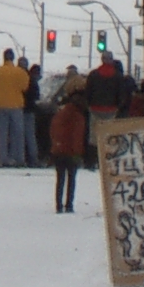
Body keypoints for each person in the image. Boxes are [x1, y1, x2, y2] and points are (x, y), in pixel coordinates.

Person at [50, 80, 89, 212]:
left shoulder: (60, 114)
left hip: (58, 150)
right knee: (71, 179)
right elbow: (77, 137)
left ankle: (58, 205)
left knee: (60, 179)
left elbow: (53, 131)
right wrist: (78, 153)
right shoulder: (78, 117)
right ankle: (69, 205)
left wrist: (55, 145)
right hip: (71, 152)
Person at [0, 48, 30, 168]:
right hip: (16, 104)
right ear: (13, 58)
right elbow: (24, 87)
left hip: (1, 104)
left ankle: (3, 159)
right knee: (18, 133)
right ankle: (19, 158)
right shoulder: (20, 72)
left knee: (3, 133)